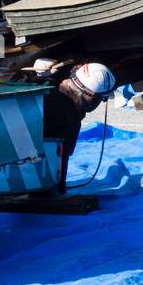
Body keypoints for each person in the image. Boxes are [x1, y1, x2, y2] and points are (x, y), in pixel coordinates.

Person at [40, 61, 116, 192]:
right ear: (90, 96)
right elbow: (60, 156)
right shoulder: (67, 117)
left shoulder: (53, 91)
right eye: (100, 99)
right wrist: (58, 188)